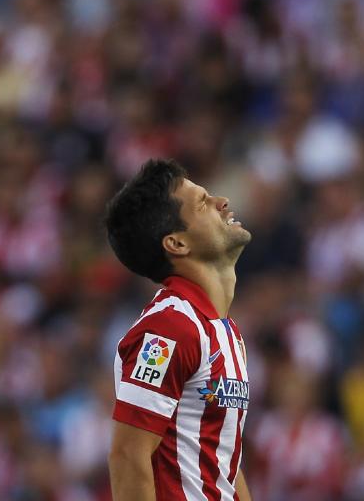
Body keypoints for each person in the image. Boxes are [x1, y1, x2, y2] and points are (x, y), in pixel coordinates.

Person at [104, 159, 254, 500]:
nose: (221, 202)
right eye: (203, 202)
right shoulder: (167, 328)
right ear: (177, 243)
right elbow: (128, 456)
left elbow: (223, 461)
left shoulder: (226, 331)